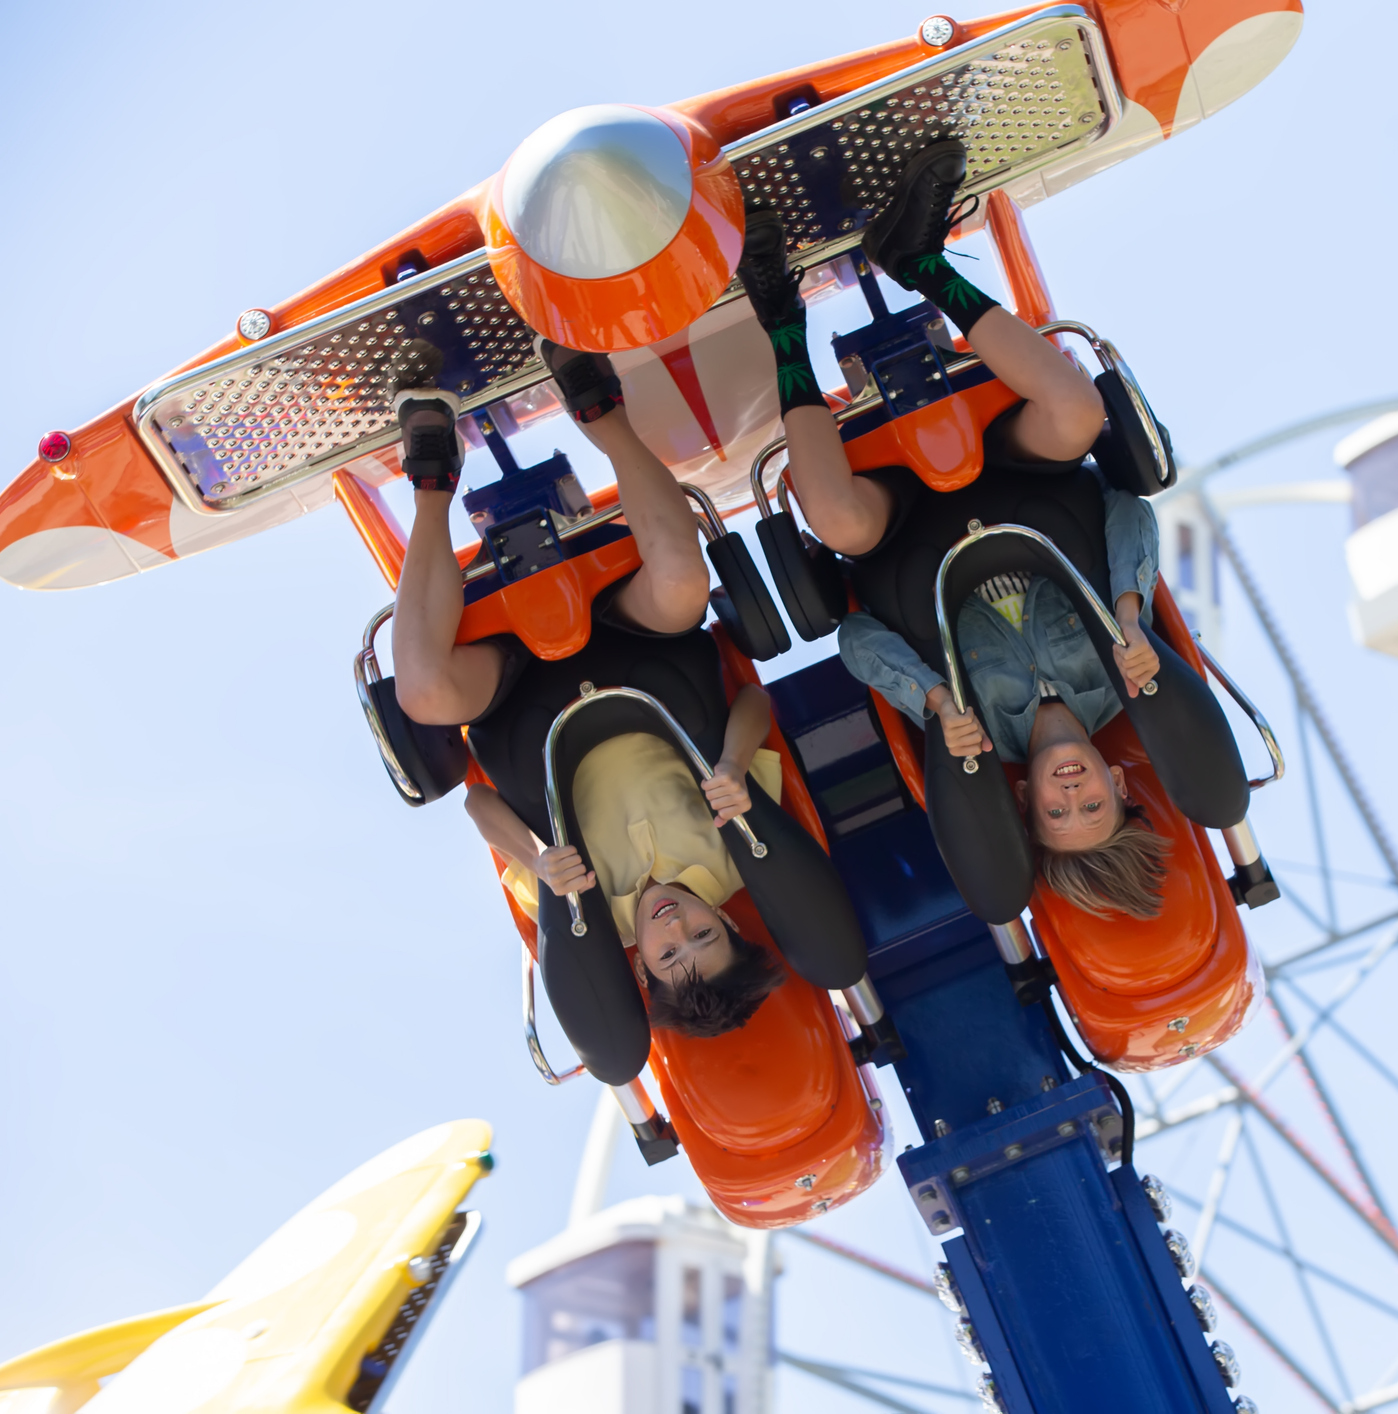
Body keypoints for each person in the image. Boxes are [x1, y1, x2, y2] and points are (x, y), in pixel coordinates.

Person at [735, 138, 1247, 920]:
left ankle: (780, 320)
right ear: (1116, 783)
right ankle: (919, 261)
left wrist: (938, 702)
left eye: (1055, 814)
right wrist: (1128, 613)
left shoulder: (973, 734)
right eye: (1092, 806)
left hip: (904, 532)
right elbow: (1125, 513)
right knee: (1078, 414)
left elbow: (856, 642)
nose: (1071, 795)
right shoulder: (1124, 679)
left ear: (1026, 799)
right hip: (1023, 482)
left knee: (832, 516)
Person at [387, 340, 867, 1068]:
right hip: (641, 652)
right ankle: (600, 412)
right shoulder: (739, 856)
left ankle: (430, 477)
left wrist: (539, 856)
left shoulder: (580, 913)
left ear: (641, 965)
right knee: (683, 580)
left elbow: (478, 807)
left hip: (523, 701)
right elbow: (749, 707)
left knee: (423, 695)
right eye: (703, 936)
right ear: (729, 925)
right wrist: (734, 768)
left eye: (669, 952)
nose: (676, 926)